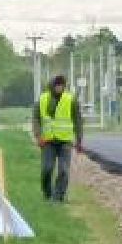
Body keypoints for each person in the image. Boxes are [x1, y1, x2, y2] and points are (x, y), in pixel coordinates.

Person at [31, 74, 84, 203]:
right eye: (57, 85)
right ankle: (47, 193)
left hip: (65, 141)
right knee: (47, 168)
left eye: (62, 85)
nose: (59, 87)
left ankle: (58, 197)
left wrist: (79, 140)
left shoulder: (71, 100)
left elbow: (78, 120)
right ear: (52, 85)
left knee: (64, 170)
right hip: (47, 141)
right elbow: (36, 119)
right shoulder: (42, 99)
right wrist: (38, 136)